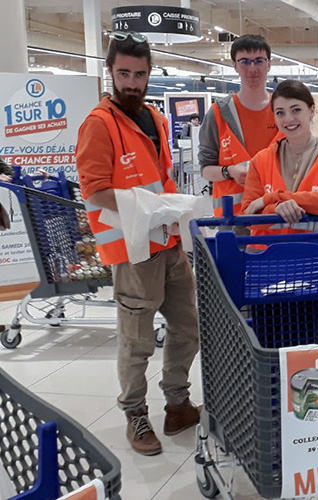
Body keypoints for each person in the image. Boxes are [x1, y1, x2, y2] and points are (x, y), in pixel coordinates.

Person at [75, 31, 200, 457]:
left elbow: (159, 177)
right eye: (124, 73)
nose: (132, 82)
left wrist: (172, 208)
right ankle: (135, 413)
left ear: (150, 75)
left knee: (189, 327)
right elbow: (93, 191)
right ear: (110, 72)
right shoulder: (99, 124)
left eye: (140, 74)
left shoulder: (156, 119)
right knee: (137, 341)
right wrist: (143, 208)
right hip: (132, 252)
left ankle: (178, 403)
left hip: (168, 245)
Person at [241, 79, 318, 230]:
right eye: (280, 112)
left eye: (296, 110)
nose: (288, 119)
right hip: (264, 252)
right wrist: (276, 209)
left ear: (311, 110)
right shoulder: (261, 161)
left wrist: (273, 198)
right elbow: (248, 215)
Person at [199, 34, 281, 217]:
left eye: (258, 60)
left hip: (276, 215)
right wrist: (229, 172)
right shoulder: (218, 113)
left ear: (269, 64)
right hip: (232, 219)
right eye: (244, 61)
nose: (252, 68)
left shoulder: (284, 111)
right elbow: (205, 169)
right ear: (234, 65)